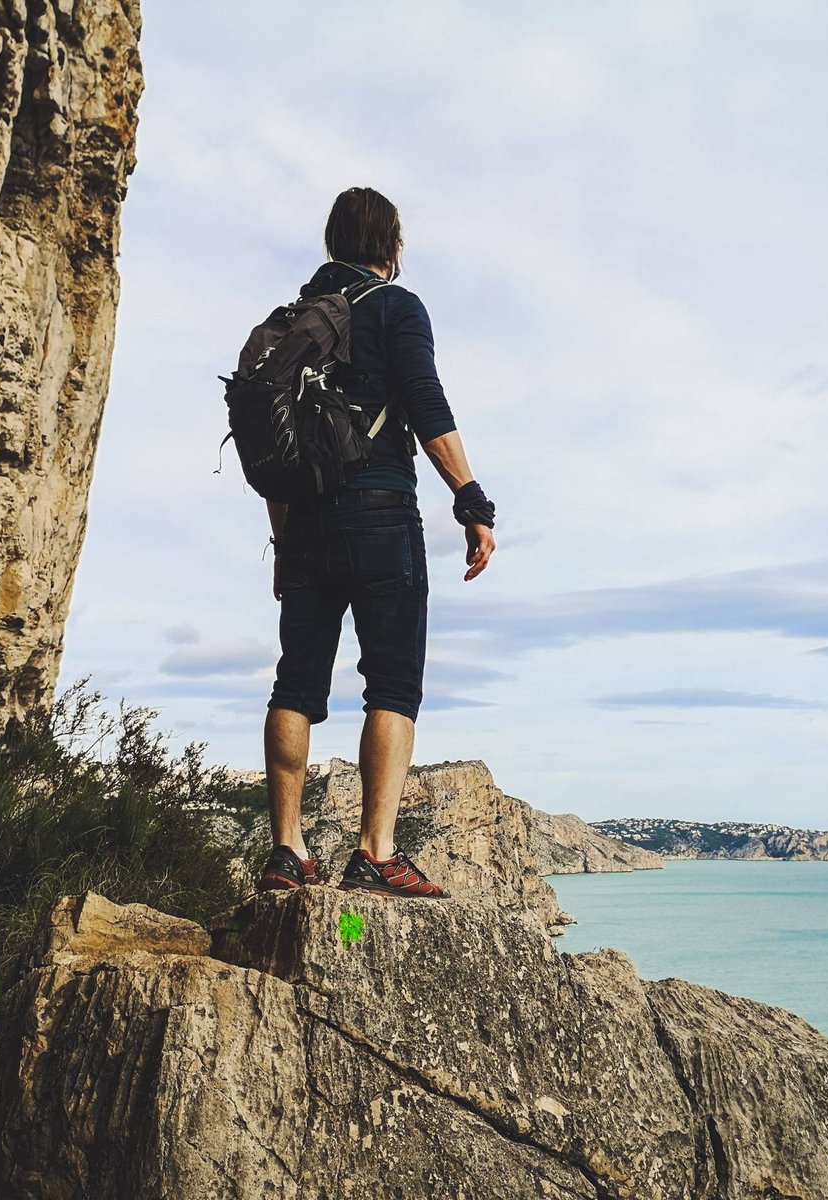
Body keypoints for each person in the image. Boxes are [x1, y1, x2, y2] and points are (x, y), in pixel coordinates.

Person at [254, 186, 496, 900]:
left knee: (296, 681)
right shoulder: (396, 307)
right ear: (391, 247)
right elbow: (425, 404)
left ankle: (287, 852)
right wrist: (471, 499)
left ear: (333, 243)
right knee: (391, 682)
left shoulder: (290, 323)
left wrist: (284, 540)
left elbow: (272, 448)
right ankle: (376, 851)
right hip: (381, 516)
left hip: (304, 527)